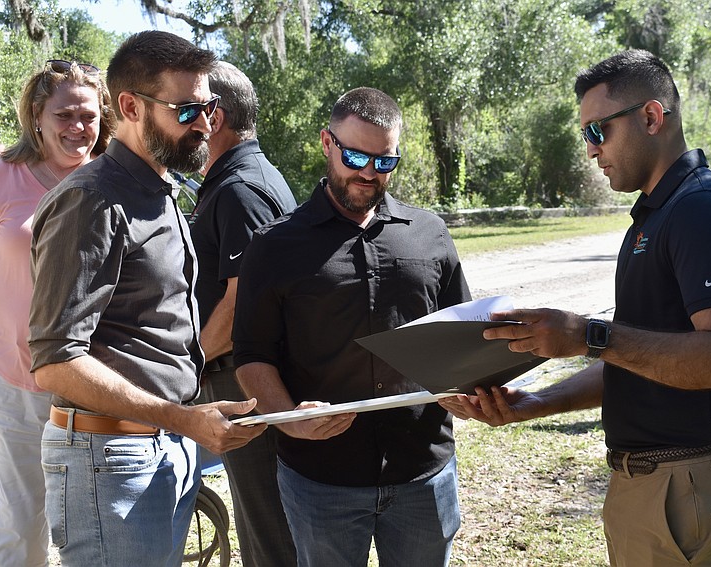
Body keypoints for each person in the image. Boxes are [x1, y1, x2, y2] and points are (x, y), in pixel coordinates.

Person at [440, 49, 711, 567]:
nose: (591, 152)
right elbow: (641, 361)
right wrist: (533, 405)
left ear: (651, 117)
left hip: (686, 486)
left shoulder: (702, 208)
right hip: (661, 486)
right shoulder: (654, 216)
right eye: (585, 136)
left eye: (598, 132)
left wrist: (589, 335)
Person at [28, 31, 266, 567]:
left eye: (208, 106)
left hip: (159, 447)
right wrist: (182, 419)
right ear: (131, 106)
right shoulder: (91, 201)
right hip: (108, 459)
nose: (205, 122)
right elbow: (55, 361)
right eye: (186, 109)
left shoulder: (162, 190)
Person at [233, 86, 470, 567]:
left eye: (385, 161)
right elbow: (252, 355)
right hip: (321, 480)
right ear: (327, 142)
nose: (368, 173)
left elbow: (462, 336)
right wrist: (290, 420)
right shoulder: (275, 246)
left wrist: (469, 385)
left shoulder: (430, 233)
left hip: (424, 470)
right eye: (356, 155)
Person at [0, 58, 114, 567]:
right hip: (14, 384)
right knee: (20, 536)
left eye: (88, 116)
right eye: (65, 114)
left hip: (96, 384)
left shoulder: (116, 180)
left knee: (95, 535)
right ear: (36, 116)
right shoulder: (5, 174)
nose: (77, 127)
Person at [190, 60, 298, 566]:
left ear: (215, 115)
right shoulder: (234, 181)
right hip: (237, 379)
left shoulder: (240, 190)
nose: (182, 121)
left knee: (268, 527)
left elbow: (240, 308)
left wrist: (184, 361)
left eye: (189, 107)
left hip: (242, 381)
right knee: (264, 520)